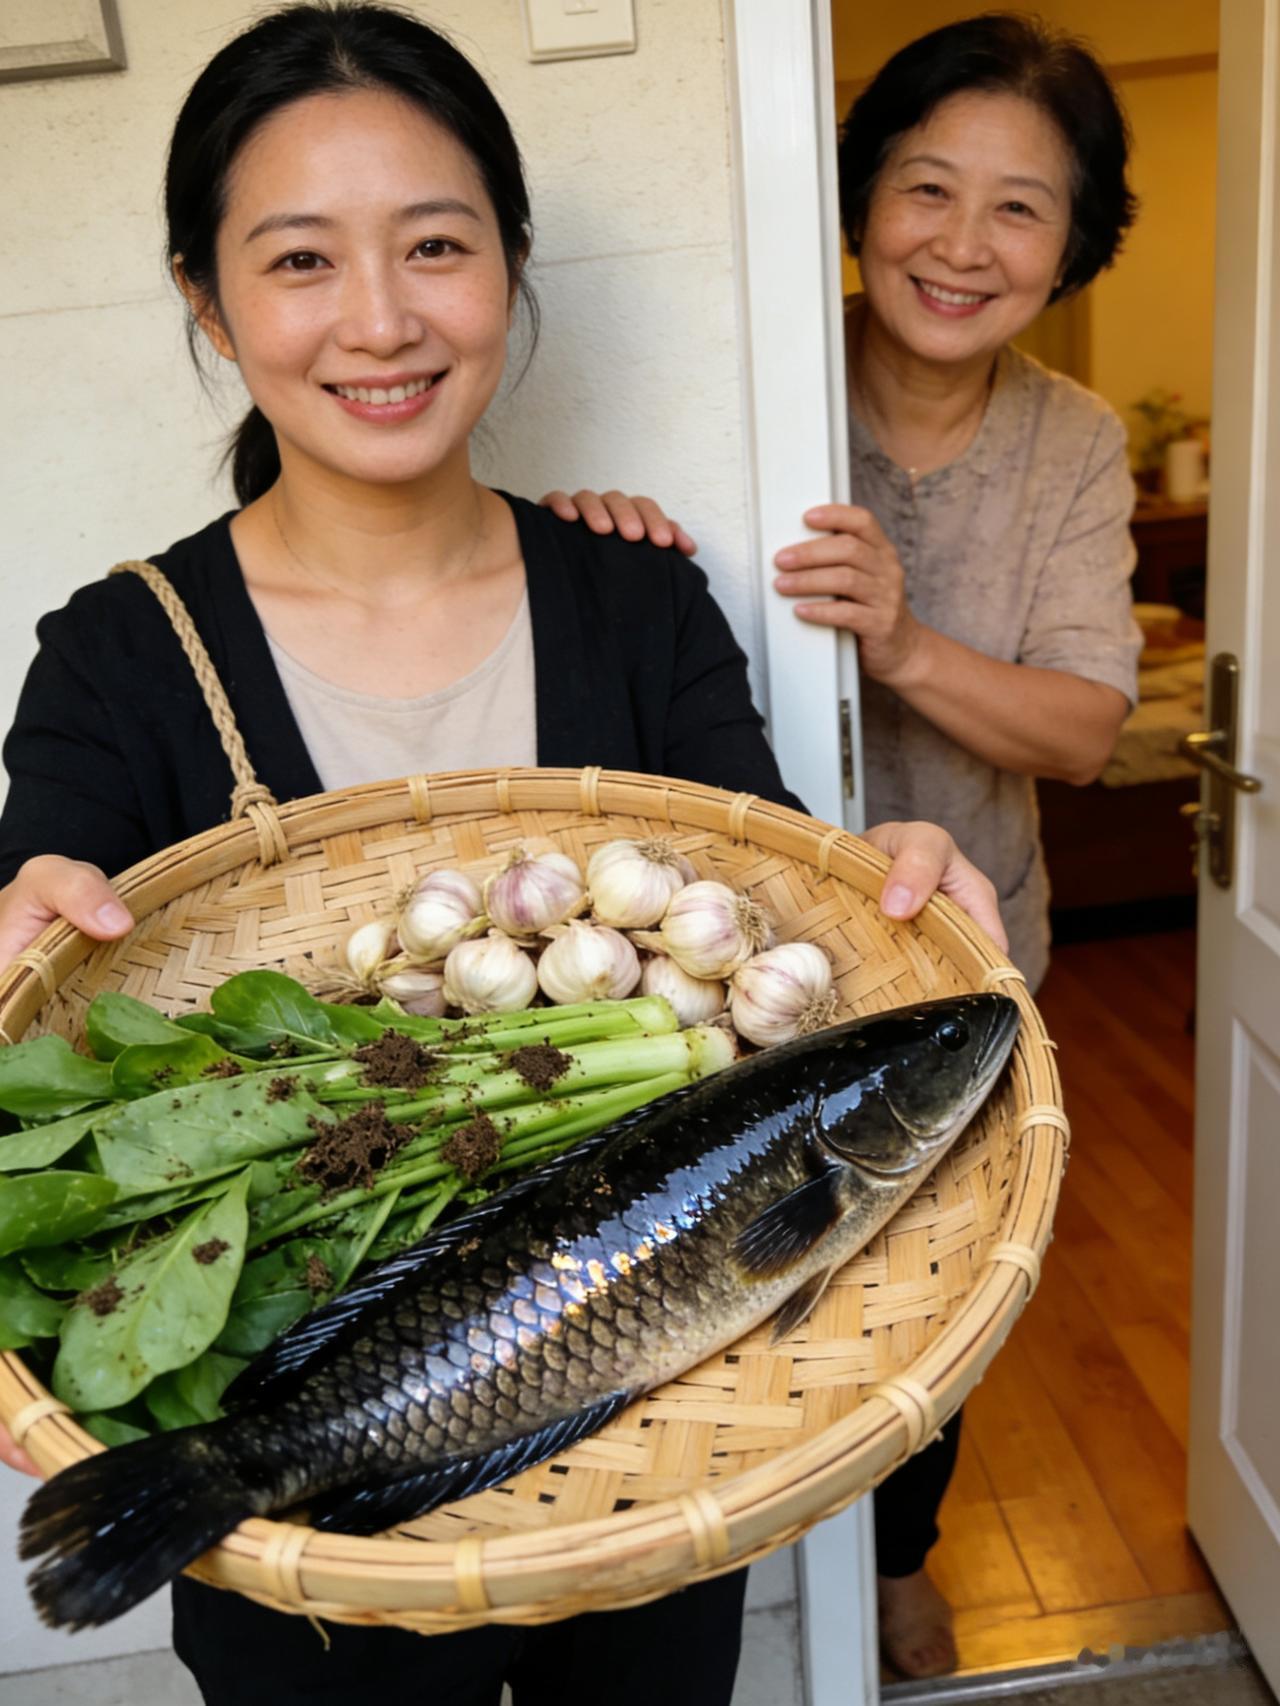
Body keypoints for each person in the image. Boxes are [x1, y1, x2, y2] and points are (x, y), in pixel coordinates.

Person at [0, 6, 1005, 1703]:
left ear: (513, 267)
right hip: (307, 1569)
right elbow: (48, 941)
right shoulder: (116, 658)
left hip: (639, 1484)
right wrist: (21, 925)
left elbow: (770, 920)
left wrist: (886, 869)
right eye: (301, 259)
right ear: (206, 296)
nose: (382, 319)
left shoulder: (640, 599)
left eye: (437, 245)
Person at [544, 12, 1143, 1679]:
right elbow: (608, 601)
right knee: (715, 1280)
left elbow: (1088, 733)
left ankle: (894, 1552)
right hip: (720, 944)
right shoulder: (753, 375)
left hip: (955, 947)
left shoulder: (1074, 442)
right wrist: (604, 529)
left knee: (931, 1287)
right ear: (859, 195)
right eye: (925, 188)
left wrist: (907, 641)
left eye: (1020, 208)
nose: (962, 244)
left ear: (1073, 242)